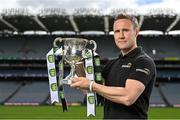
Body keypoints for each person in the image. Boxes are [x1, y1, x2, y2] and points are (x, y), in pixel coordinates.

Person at [71, 13, 156, 119]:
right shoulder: (111, 64)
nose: (121, 36)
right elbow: (91, 91)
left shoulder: (143, 61)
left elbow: (128, 97)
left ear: (136, 32)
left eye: (125, 30)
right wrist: (76, 62)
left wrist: (91, 85)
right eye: (117, 31)